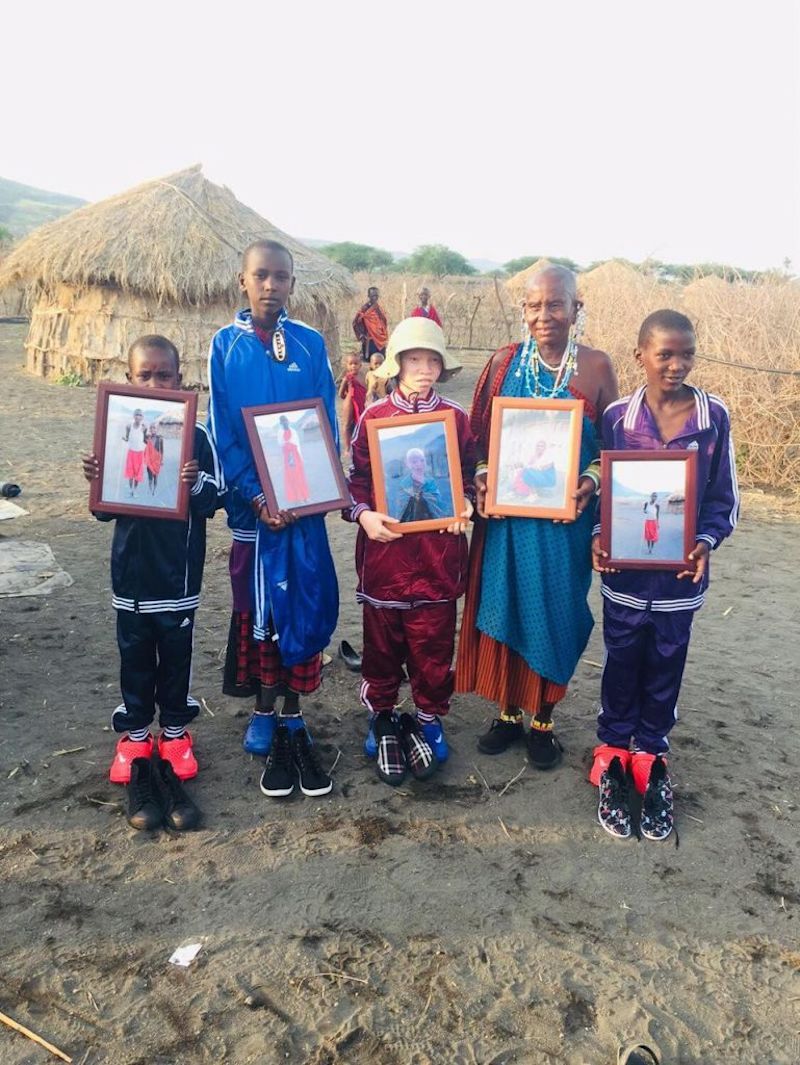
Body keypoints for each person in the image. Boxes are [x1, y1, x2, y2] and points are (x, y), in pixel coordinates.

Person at [455, 265, 618, 768]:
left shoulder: (595, 367)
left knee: (556, 612)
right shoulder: (503, 364)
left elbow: (614, 447)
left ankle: (544, 718)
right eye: (533, 306)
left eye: (555, 304)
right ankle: (508, 713)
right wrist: (483, 474)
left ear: (576, 306)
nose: (544, 315)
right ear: (523, 310)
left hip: (562, 526)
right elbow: (479, 439)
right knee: (506, 607)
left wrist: (589, 481)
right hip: (505, 523)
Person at [591, 309, 739, 841]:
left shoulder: (712, 417)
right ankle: (611, 755)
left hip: (679, 578)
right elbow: (603, 497)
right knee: (621, 658)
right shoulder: (616, 419)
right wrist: (598, 540)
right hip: (626, 577)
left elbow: (723, 497)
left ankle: (651, 756)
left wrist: (704, 542)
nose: (677, 365)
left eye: (687, 354)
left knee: (666, 664)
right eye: (665, 354)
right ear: (640, 356)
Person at [208, 239, 338, 800]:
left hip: (301, 506)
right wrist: (256, 495)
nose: (270, 286)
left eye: (280, 277)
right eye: (260, 275)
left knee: (300, 603)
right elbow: (223, 429)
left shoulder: (310, 345)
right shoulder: (225, 346)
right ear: (243, 280)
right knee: (259, 607)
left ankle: (292, 710)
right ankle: (262, 709)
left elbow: (324, 423)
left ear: (291, 283)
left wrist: (304, 493)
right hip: (254, 512)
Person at [82, 335, 224, 829]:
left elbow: (215, 499)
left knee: (176, 657)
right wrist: (97, 478)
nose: (155, 383)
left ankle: (177, 731)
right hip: (131, 575)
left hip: (178, 576)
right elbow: (104, 512)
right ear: (129, 378)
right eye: (144, 375)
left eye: (165, 375)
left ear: (181, 380)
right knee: (135, 658)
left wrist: (194, 482)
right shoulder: (117, 430)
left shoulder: (197, 435)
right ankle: (138, 735)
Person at [345, 316, 476, 786]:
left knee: (433, 648)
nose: (424, 368)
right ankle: (381, 716)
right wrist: (364, 515)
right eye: (414, 359)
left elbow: (467, 477)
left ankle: (427, 719)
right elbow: (355, 481)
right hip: (386, 558)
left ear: (443, 366)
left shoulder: (456, 420)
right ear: (398, 363)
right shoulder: (374, 418)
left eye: (432, 360)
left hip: (439, 560)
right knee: (382, 646)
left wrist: (464, 502)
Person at [388, 447, 446, 522]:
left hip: (432, 521)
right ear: (408, 464)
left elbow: (438, 502)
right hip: (411, 523)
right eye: (414, 462)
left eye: (422, 460)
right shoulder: (405, 484)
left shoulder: (430, 481)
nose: (419, 464)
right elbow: (401, 508)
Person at [338, 349, 368, 457]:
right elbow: (340, 394)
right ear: (347, 365)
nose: (353, 366)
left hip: (361, 403)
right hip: (349, 403)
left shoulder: (363, 375)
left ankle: (361, 444)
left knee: (360, 423)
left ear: (360, 365)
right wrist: (348, 397)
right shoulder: (347, 378)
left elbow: (366, 389)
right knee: (347, 425)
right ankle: (347, 448)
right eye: (351, 364)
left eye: (356, 364)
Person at [277, 414, 310, 504]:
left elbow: (297, 445)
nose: (285, 423)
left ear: (288, 421)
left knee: (300, 476)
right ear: (281, 423)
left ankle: (304, 497)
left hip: (296, 456)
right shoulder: (280, 433)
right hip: (287, 458)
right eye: (283, 422)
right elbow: (280, 445)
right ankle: (295, 498)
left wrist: (301, 457)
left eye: (286, 421)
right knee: (291, 478)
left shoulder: (293, 431)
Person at [352, 286, 389, 360]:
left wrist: (381, 333)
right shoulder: (364, 309)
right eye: (373, 296)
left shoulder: (379, 308)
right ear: (368, 296)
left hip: (380, 339)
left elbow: (383, 321)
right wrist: (362, 334)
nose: (375, 298)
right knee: (370, 361)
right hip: (369, 340)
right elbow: (356, 322)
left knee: (381, 360)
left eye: (376, 296)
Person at [123, 409, 147, 498]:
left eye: (140, 415)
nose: (138, 417)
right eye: (136, 415)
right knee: (130, 472)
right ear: (134, 416)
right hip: (131, 452)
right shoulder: (129, 426)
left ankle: (135, 490)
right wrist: (124, 439)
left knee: (138, 473)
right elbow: (127, 438)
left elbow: (144, 440)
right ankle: (130, 489)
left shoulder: (144, 427)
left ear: (142, 417)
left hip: (140, 453)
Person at [144, 423, 164, 495]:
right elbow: (144, 439)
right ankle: (150, 489)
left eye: (154, 428)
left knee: (155, 476)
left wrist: (161, 460)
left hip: (156, 460)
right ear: (150, 430)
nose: (153, 430)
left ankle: (154, 490)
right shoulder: (148, 438)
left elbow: (161, 450)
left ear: (156, 429)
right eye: (151, 428)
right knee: (150, 476)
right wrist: (145, 430)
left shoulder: (160, 439)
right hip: (150, 460)